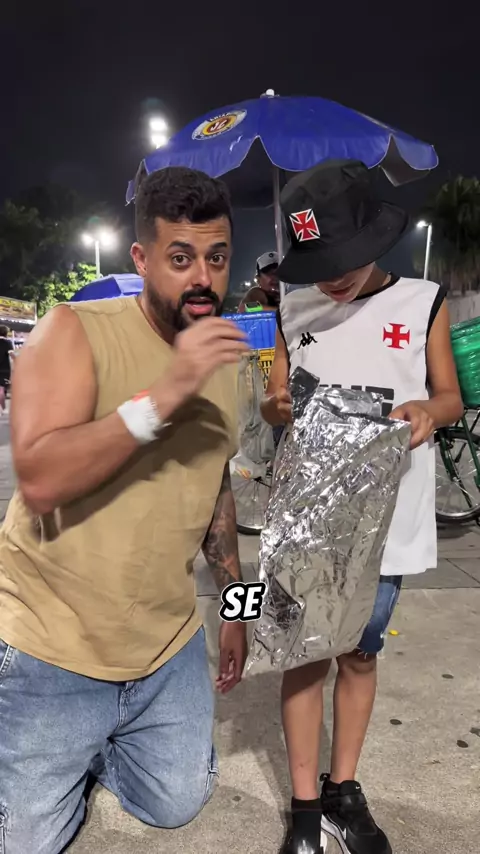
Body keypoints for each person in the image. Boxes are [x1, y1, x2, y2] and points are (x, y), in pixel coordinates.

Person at [0, 166, 249, 854]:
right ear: (141, 259)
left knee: (178, 803)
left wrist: (238, 610)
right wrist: (168, 392)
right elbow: (40, 479)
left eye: (217, 257)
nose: (203, 279)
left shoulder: (226, 358)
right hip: (52, 643)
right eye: (180, 258)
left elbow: (218, 487)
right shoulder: (72, 330)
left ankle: (102, 750)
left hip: (166, 642)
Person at [261, 160, 463, 854]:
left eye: (343, 261)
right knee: (303, 656)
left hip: (387, 519)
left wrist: (428, 411)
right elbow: (276, 398)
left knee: (359, 653)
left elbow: (450, 396)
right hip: (309, 521)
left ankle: (343, 788)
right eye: (317, 266)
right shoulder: (292, 310)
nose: (332, 279)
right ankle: (304, 809)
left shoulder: (422, 301)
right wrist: (277, 404)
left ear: (374, 237)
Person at [0, 324, 13, 410]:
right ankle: (2, 408)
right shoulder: (7, 343)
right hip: (4, 370)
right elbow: (12, 354)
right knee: (1, 389)